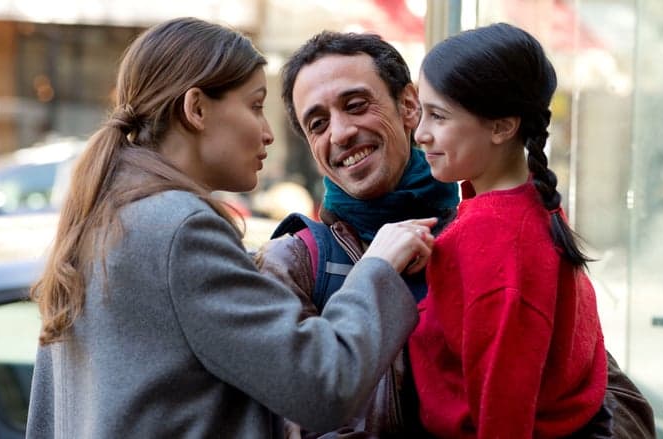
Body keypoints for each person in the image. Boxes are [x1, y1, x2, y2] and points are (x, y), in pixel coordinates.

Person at [25, 17, 438, 438]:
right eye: (256, 106)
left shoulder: (100, 223)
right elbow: (321, 386)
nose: (268, 133)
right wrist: (377, 268)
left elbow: (45, 421)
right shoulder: (181, 229)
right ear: (197, 109)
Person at [255, 30, 656, 438]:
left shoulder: (497, 232)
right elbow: (287, 423)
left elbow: (608, 397)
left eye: (356, 106)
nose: (340, 133)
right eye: (317, 124)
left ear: (409, 105)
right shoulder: (294, 263)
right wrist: (375, 274)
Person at [408, 22, 608, 438]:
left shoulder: (494, 235)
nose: (420, 133)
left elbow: (505, 406)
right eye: (421, 112)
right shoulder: (534, 204)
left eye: (438, 116)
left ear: (502, 127)